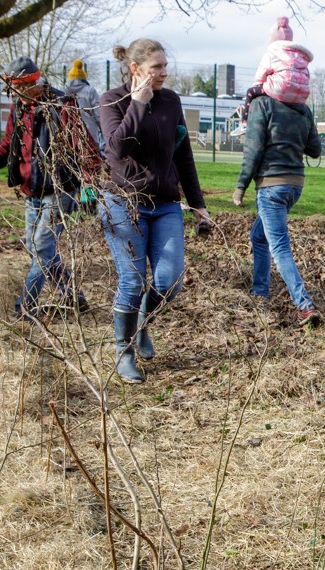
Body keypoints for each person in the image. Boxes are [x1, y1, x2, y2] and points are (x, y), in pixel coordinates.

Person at [99, 38, 211, 383]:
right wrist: (136, 104)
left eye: (165, 66)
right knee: (132, 282)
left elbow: (184, 155)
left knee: (170, 279)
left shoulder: (171, 101)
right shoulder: (110, 101)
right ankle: (125, 349)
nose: (164, 72)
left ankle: (143, 323)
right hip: (123, 203)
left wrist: (198, 205)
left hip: (164, 205)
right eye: (156, 68)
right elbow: (116, 149)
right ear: (136, 70)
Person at [0, 57, 98, 319]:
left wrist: (88, 183)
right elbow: (9, 143)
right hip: (32, 190)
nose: (15, 94)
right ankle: (73, 295)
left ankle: (25, 307)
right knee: (37, 249)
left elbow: (85, 146)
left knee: (42, 248)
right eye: (12, 89)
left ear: (33, 82)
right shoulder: (19, 108)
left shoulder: (62, 105)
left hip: (60, 190)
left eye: (18, 87)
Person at [232, 92, 322, 327]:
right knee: (259, 236)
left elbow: (253, 150)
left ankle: (304, 306)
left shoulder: (262, 105)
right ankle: (260, 293)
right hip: (295, 186)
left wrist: (240, 187)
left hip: (271, 187)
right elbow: (315, 149)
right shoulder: (302, 108)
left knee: (279, 247)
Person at [230, 16, 312, 137]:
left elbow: (260, 75)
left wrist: (258, 85)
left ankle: (244, 123)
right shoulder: (300, 56)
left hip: (280, 88)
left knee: (250, 92)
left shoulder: (272, 53)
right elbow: (306, 74)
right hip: (300, 93)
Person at [65, 59, 105, 157]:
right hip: (89, 135)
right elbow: (98, 113)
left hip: (69, 134)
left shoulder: (63, 91)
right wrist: (103, 129)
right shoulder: (89, 91)